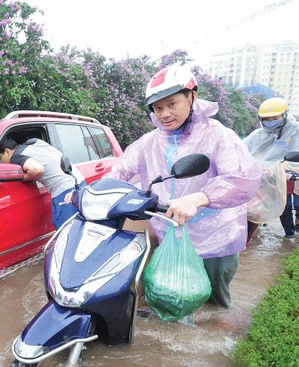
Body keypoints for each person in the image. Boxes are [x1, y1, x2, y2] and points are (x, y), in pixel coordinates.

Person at [106, 65, 261, 308]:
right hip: (168, 231)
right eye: (158, 108)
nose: (164, 114)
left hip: (215, 235)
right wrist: (90, 193)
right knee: (165, 296)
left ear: (192, 97)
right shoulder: (149, 142)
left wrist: (199, 198)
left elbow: (243, 179)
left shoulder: (218, 135)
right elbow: (120, 173)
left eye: (171, 104)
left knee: (213, 304)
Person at [244, 98, 299, 237]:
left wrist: (292, 169)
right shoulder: (258, 134)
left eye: (275, 117)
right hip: (272, 176)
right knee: (283, 206)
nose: (271, 121)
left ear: (284, 115)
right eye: (266, 118)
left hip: (296, 174)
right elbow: (243, 150)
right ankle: (289, 236)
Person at [0, 137, 80, 229]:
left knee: (66, 230)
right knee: (80, 226)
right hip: (78, 181)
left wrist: (21, 177)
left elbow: (36, 169)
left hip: (65, 190)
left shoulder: (16, 156)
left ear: (7, 151)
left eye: (0, 158)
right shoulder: (34, 142)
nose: (1, 162)